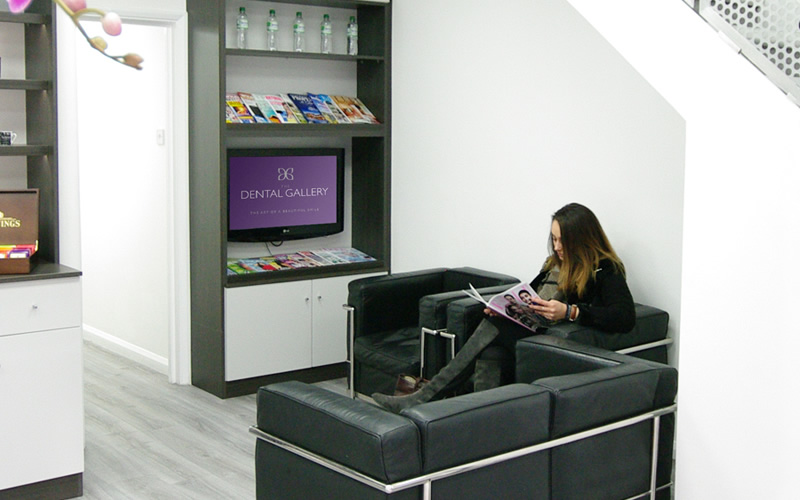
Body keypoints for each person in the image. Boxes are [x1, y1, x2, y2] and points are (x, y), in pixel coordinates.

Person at [372, 202, 636, 413]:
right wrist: (502, 306)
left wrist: (571, 312)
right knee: (493, 350)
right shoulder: (553, 263)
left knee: (494, 329)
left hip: (556, 336)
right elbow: (529, 295)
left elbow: (625, 317)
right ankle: (478, 418)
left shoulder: (605, 269)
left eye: (562, 241)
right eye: (553, 239)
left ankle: (425, 396)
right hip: (533, 327)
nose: (557, 247)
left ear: (582, 238)